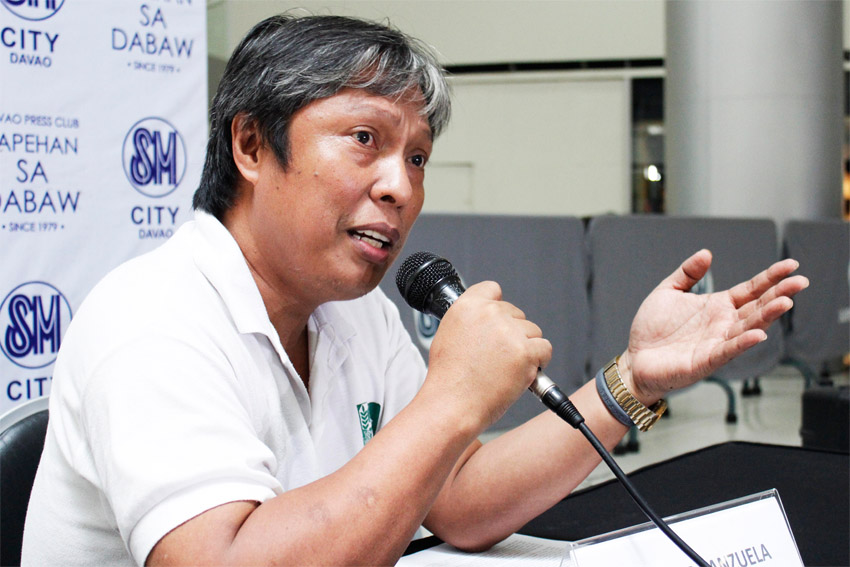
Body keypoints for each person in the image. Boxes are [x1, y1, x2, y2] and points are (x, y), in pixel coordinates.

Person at [22, 14, 808, 567]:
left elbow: (457, 498)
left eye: (420, 157)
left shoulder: (354, 310)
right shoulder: (153, 316)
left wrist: (631, 381)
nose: (401, 186)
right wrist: (451, 399)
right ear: (253, 145)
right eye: (365, 139)